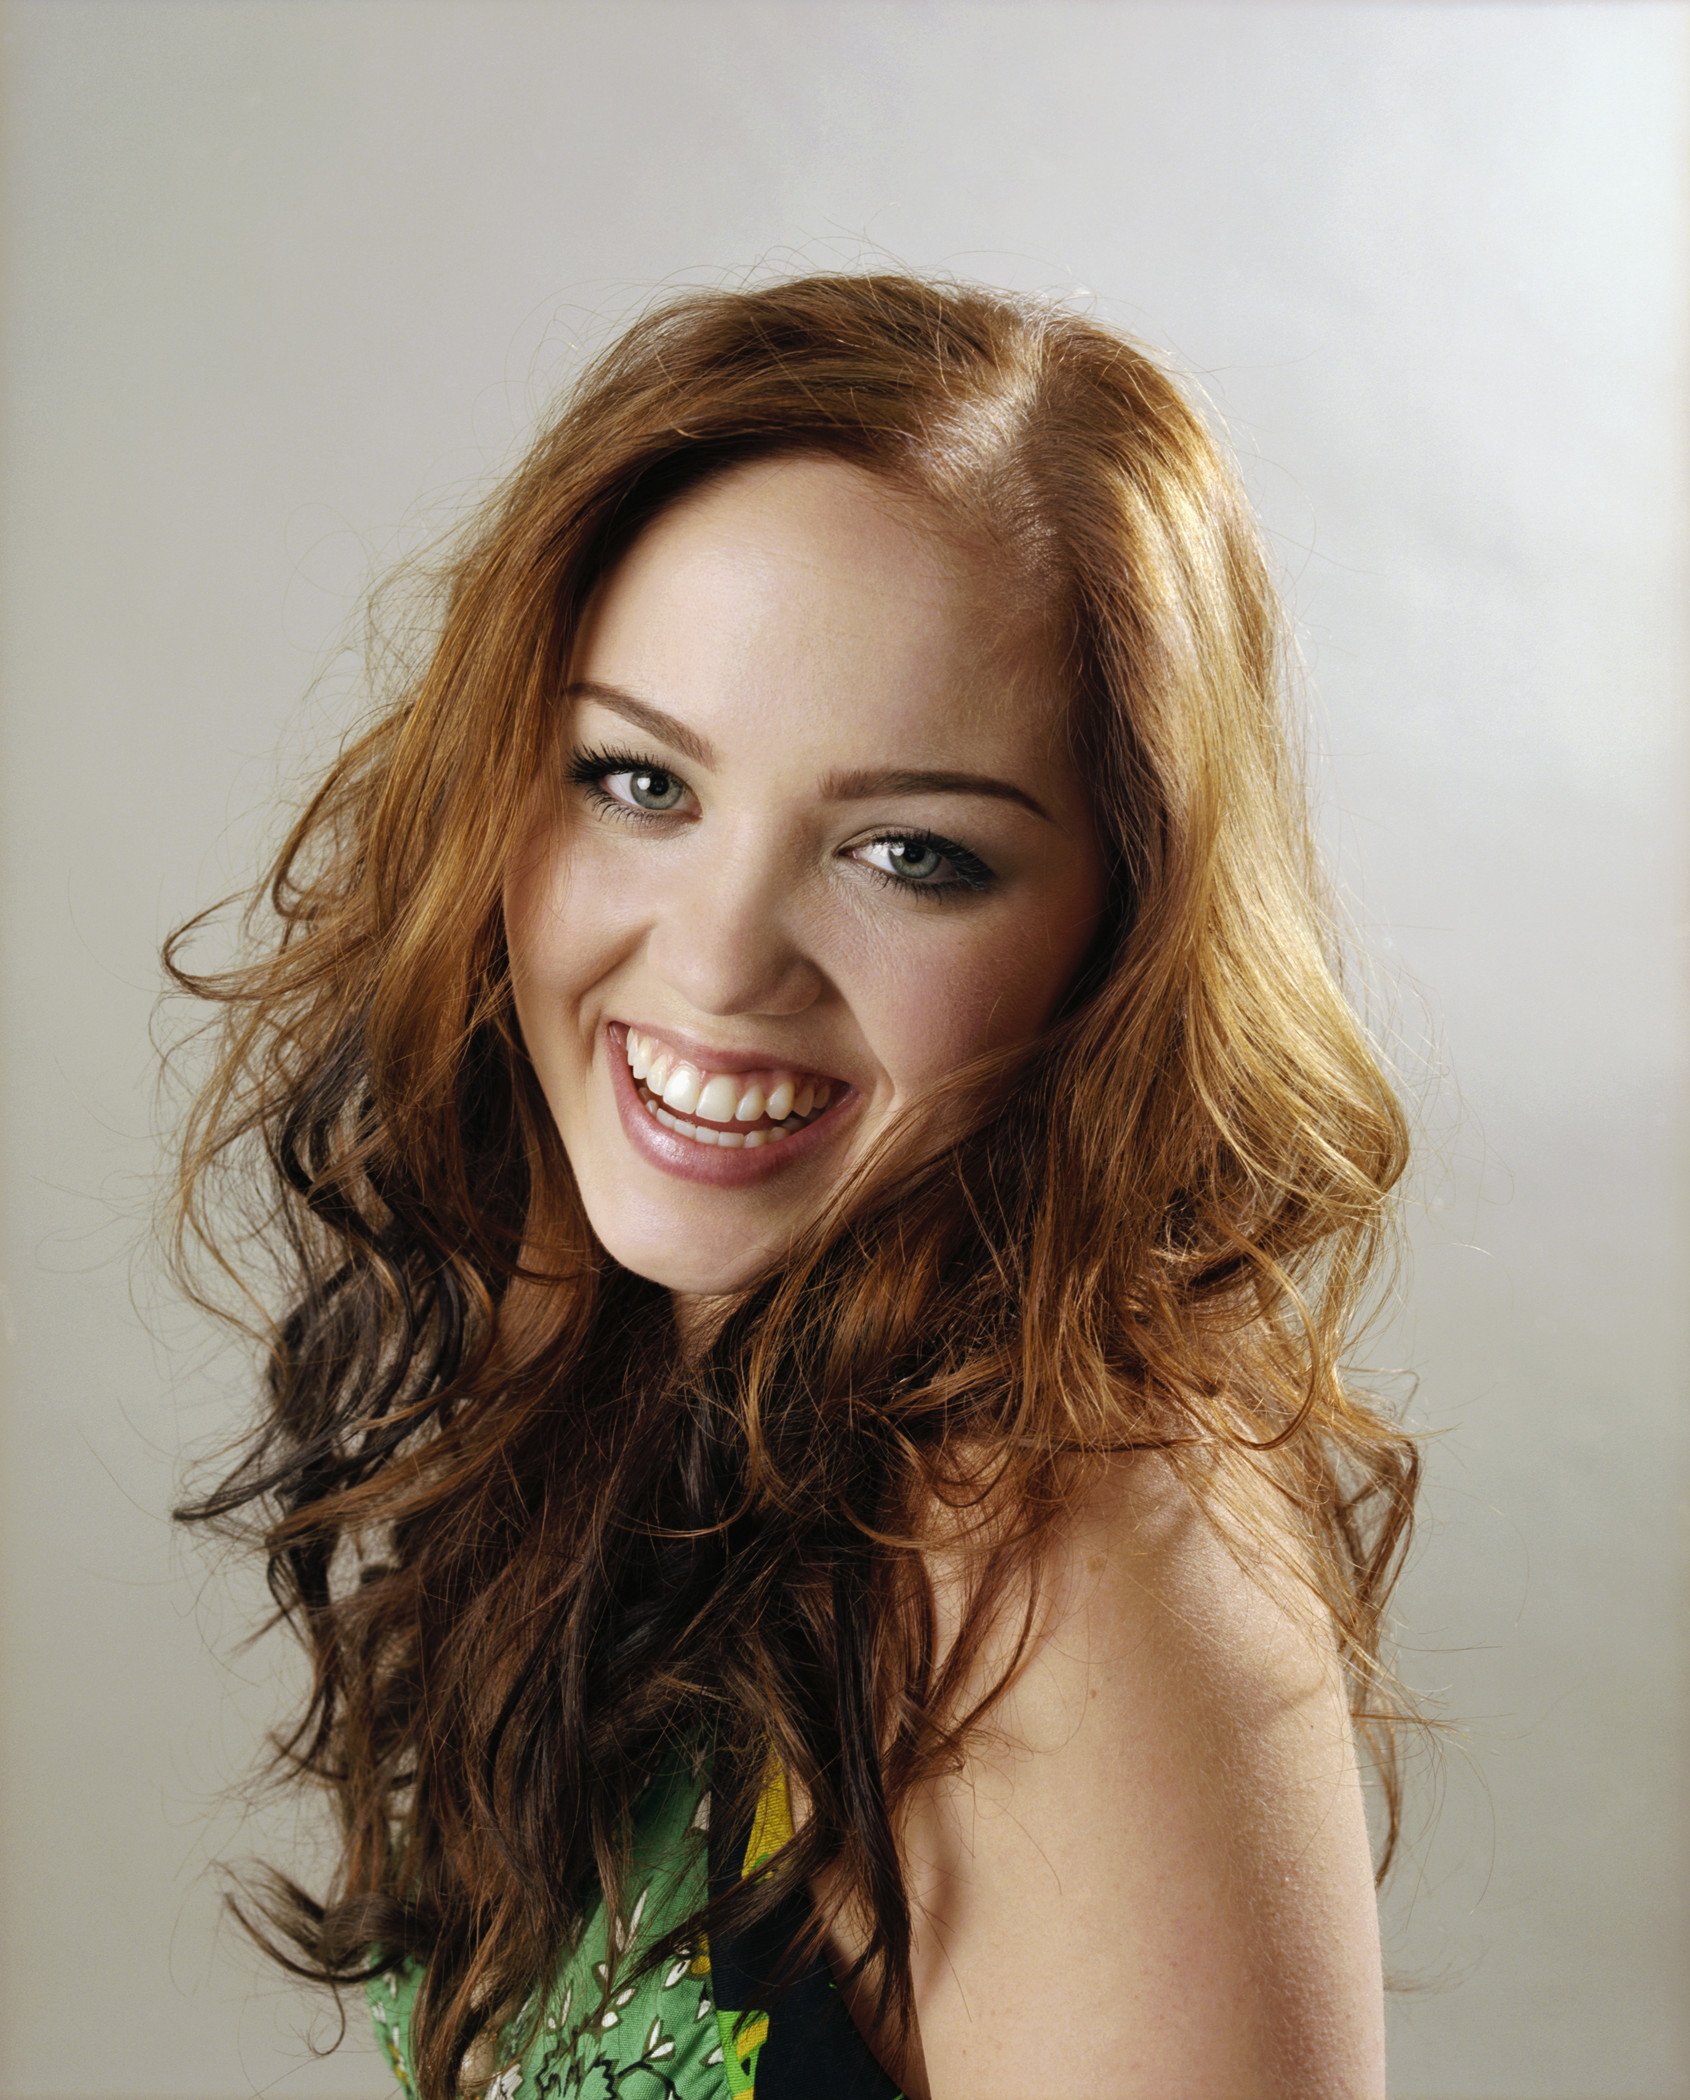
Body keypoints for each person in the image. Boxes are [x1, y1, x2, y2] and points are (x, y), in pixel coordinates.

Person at [166, 270, 1418, 2100]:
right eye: (636, 781)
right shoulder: (648, 1367)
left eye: (910, 854)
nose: (715, 959)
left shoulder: (1067, 1559)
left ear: (1120, 937)